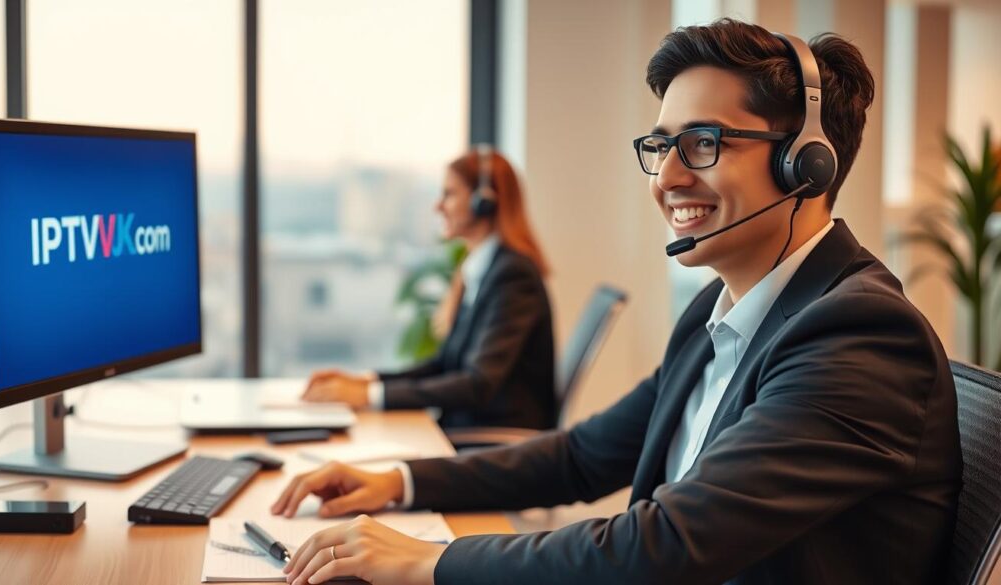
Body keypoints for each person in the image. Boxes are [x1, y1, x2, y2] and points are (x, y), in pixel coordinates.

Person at [271, 19, 962, 585]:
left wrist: (427, 559)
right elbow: (580, 457)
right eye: (662, 146)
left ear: (807, 164)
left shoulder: (861, 337)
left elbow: (663, 545)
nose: (666, 177)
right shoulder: (716, 315)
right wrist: (396, 481)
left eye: (702, 143)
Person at [300, 146, 557, 431]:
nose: (438, 206)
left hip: (495, 439)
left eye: (449, 194)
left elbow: (479, 384)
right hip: (472, 431)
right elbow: (444, 364)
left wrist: (369, 396)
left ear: (484, 201)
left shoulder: (512, 275)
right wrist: (366, 381)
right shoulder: (484, 269)